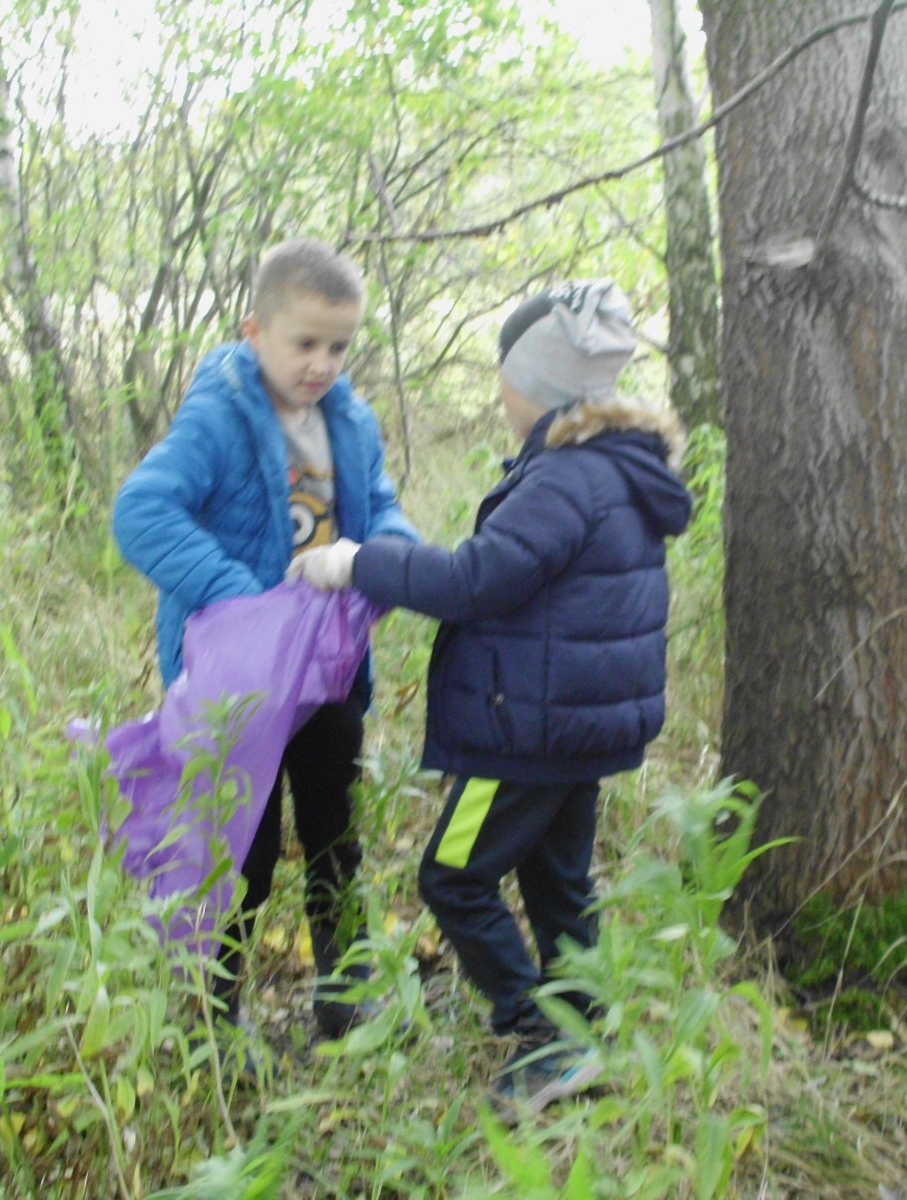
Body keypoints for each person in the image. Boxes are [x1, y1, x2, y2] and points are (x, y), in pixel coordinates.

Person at [290, 279, 693, 1116]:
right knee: (557, 881)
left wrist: (357, 563)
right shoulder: (613, 465)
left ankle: (543, 1037)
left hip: (525, 735)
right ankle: (582, 1024)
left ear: (537, 384)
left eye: (505, 377)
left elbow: (475, 581)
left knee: (451, 878)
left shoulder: (564, 479)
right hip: (575, 730)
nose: (502, 394)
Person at [111, 238, 418, 1051]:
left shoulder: (350, 419)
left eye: (338, 346)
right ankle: (216, 1020)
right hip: (239, 681)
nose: (322, 364)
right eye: (304, 343)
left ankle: (345, 1002)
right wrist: (240, 599)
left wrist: (387, 553)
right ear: (255, 331)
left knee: (334, 838)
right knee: (239, 849)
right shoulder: (220, 414)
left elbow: (379, 502)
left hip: (326, 674)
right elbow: (141, 512)